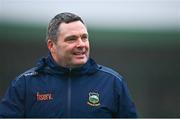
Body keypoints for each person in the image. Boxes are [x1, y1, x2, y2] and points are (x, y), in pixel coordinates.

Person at [0, 12, 137, 118]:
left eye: (84, 37)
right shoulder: (24, 84)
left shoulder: (112, 83)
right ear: (52, 45)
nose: (81, 44)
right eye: (72, 39)